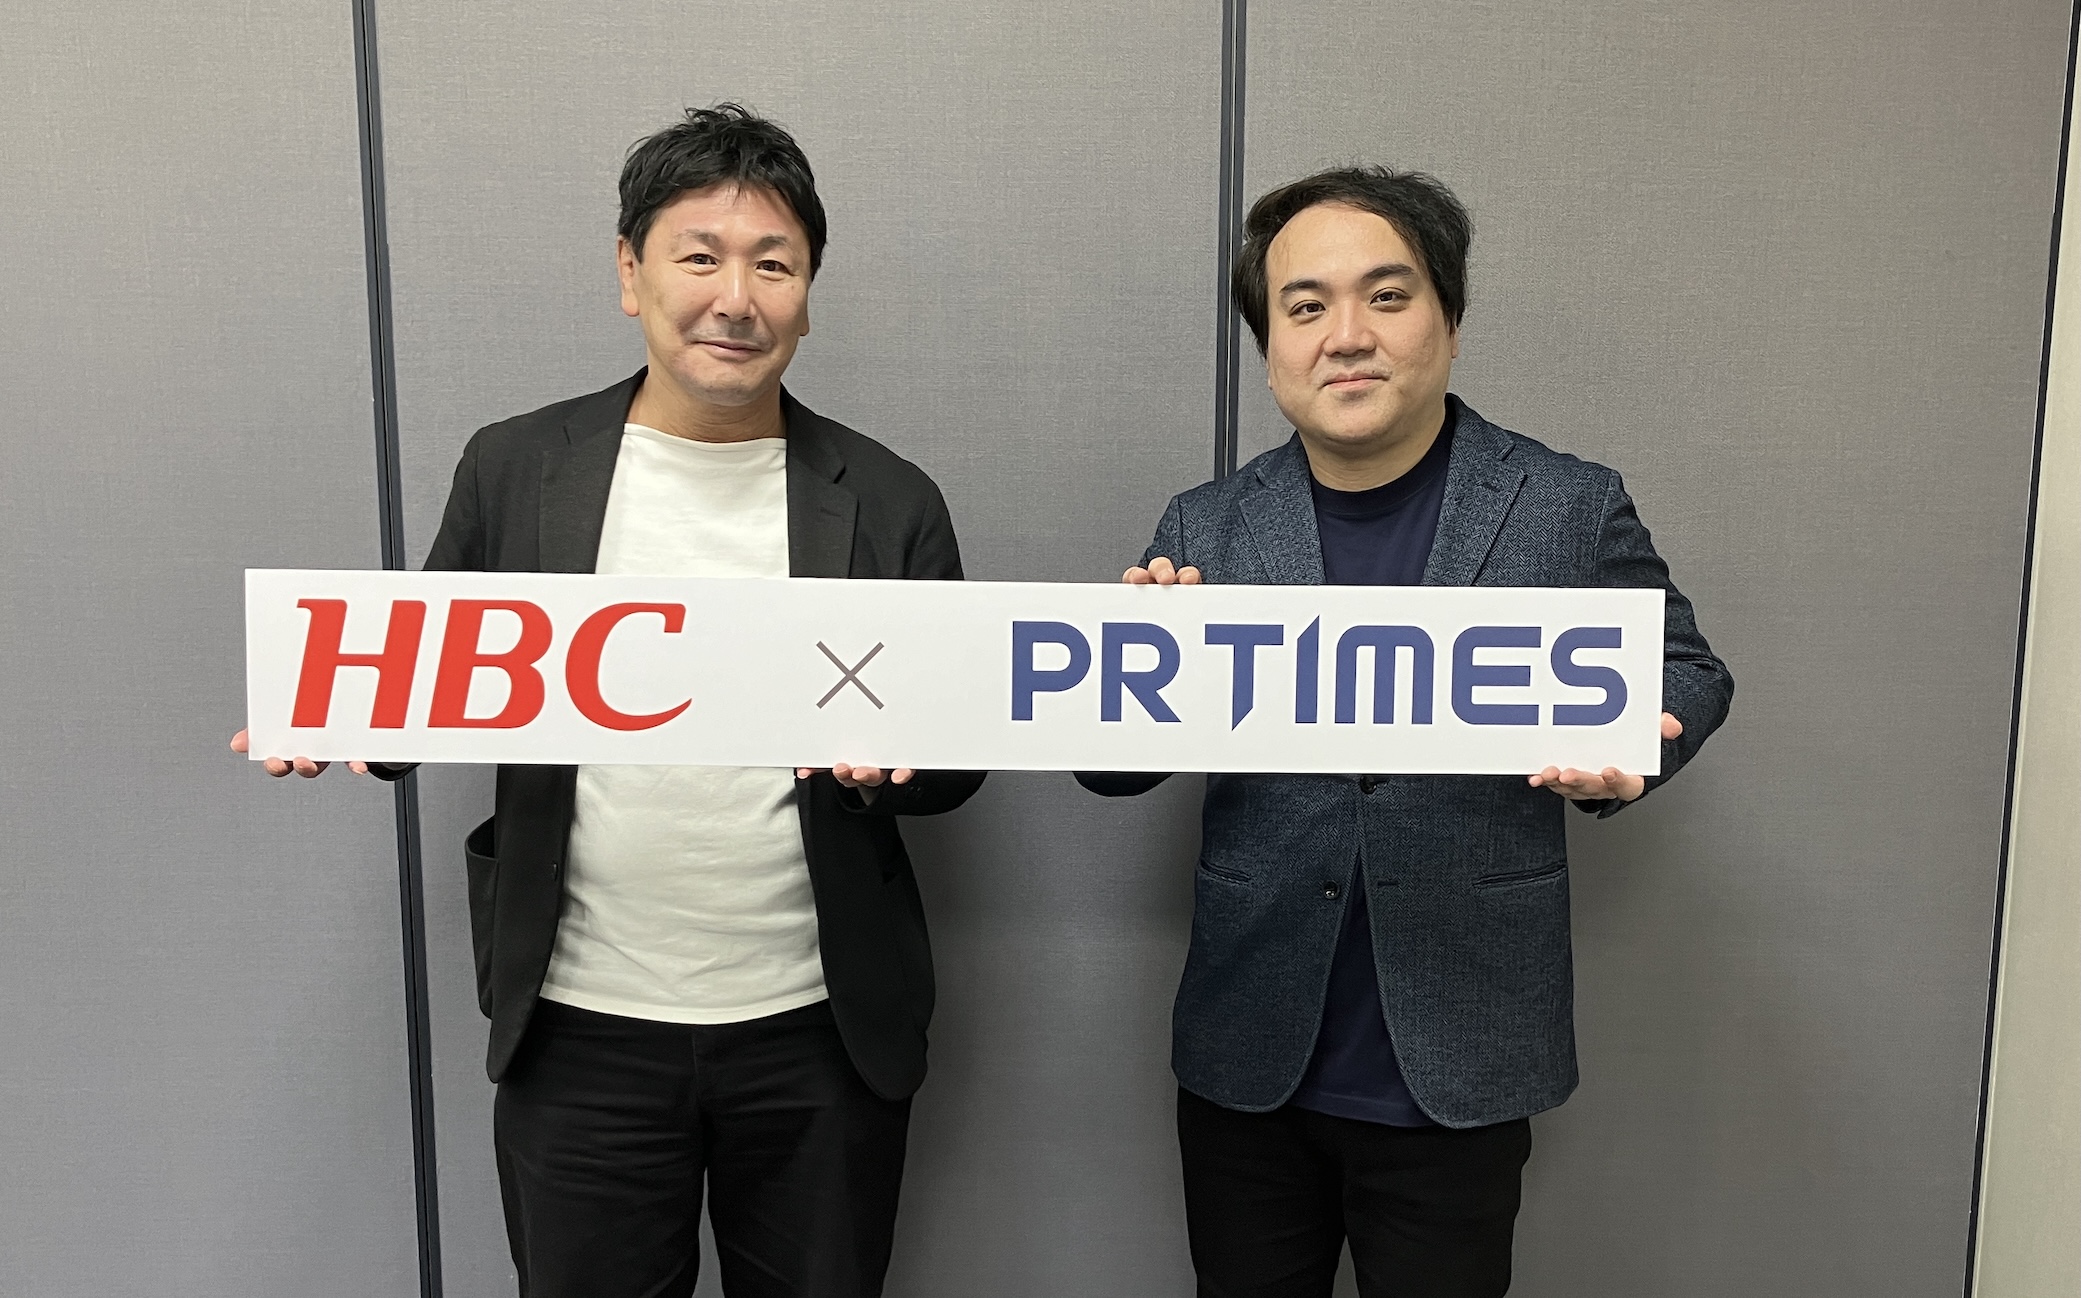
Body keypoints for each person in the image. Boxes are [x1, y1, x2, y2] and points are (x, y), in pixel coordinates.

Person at [233, 104, 981, 1298]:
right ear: (630, 273)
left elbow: (955, 761)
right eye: (699, 256)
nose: (735, 297)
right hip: (578, 1025)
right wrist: (339, 720)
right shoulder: (516, 466)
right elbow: (431, 668)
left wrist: (892, 764)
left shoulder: (889, 498)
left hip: (818, 1030)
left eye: (773, 264)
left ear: (807, 295)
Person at [1080, 166, 1733, 1297]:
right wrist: (1138, 669)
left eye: (1386, 296)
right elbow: (1106, 766)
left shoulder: (1564, 504)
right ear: (1270, 348)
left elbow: (1685, 669)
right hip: (1250, 1049)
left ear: (1449, 321)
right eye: (1305, 306)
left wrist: (1638, 747)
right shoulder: (1209, 523)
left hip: (1462, 1047)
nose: (1347, 335)